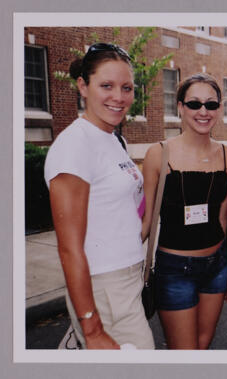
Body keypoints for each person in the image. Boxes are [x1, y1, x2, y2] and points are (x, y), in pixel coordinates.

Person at [44, 43, 154, 349]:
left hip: (126, 280)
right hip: (106, 285)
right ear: (83, 85)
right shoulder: (75, 146)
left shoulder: (111, 138)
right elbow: (69, 248)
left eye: (127, 87)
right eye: (106, 85)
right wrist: (91, 327)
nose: (119, 97)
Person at [141, 73, 227, 349]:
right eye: (194, 104)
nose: (203, 111)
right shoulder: (158, 154)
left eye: (211, 104)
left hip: (216, 266)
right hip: (175, 269)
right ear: (180, 107)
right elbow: (146, 221)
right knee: (184, 351)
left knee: (203, 345)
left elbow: (224, 217)